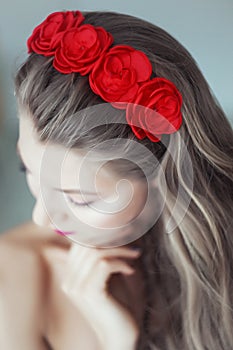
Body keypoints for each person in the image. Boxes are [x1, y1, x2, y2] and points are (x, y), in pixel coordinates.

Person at [0, 9, 233, 350]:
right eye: (28, 171)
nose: (40, 218)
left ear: (165, 180)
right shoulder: (12, 275)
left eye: (79, 198)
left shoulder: (220, 259)